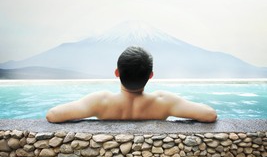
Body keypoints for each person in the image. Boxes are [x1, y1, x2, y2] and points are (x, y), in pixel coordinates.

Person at [46, 46, 217, 123]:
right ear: (150, 76)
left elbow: (53, 115)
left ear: (117, 73)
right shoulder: (164, 102)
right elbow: (209, 115)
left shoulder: (100, 101)